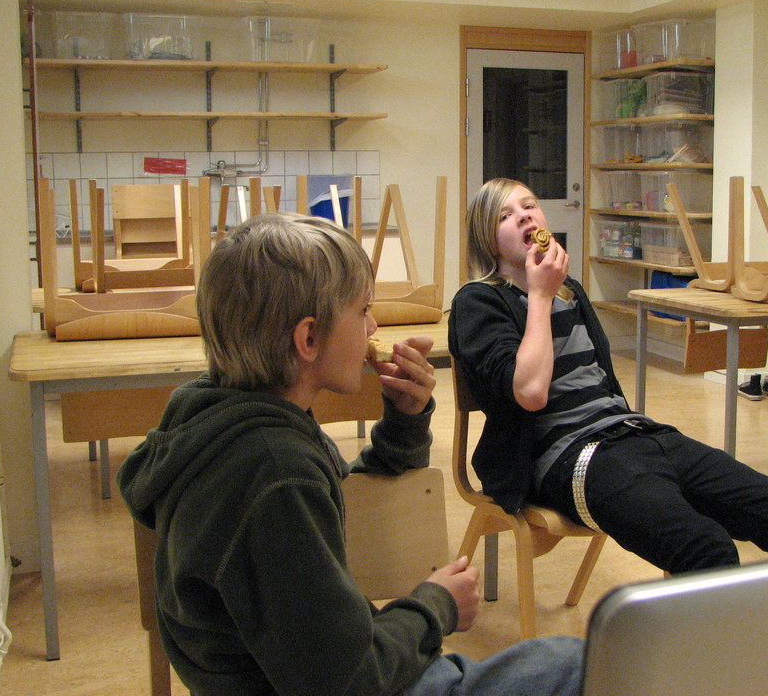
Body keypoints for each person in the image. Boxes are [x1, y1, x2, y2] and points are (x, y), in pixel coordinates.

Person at [118, 212, 583, 696]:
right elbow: (351, 680)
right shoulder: (274, 470)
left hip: (325, 664)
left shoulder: (227, 419)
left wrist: (404, 420)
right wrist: (436, 606)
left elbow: (346, 498)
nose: (373, 325)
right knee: (575, 666)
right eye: (362, 310)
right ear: (308, 338)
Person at [449, 178, 768, 576]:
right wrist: (540, 295)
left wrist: (550, 291)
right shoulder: (479, 301)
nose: (523, 216)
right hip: (567, 455)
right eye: (505, 215)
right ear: (487, 239)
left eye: (529, 205)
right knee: (706, 550)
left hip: (635, 432)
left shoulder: (570, 291)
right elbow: (531, 392)